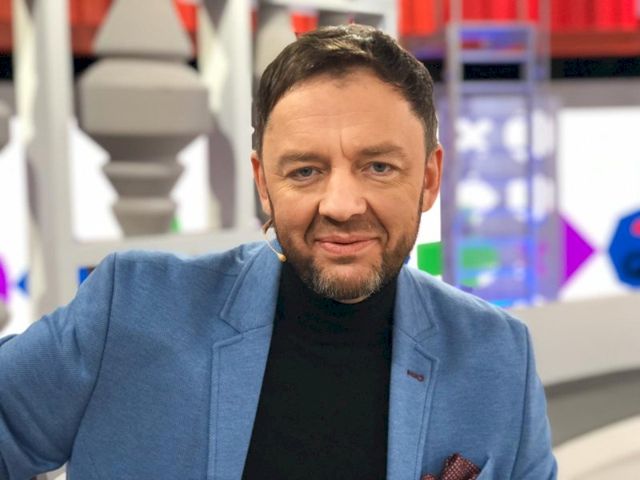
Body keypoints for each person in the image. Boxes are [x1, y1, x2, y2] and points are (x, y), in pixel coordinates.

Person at [0, 24, 556, 479]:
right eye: (306, 171)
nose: (342, 205)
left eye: (378, 166)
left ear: (430, 177)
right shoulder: (132, 307)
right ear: (264, 184)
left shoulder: (498, 355)